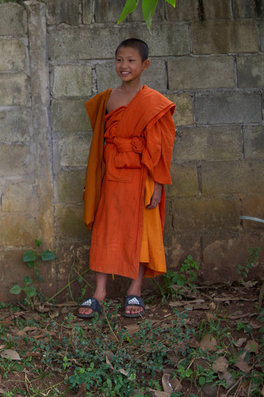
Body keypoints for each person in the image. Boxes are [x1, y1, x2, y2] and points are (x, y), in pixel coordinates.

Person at [77, 38, 176, 320]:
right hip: (112, 174)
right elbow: (101, 140)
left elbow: (161, 146)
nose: (124, 66)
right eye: (120, 59)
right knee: (106, 229)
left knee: (141, 232)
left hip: (141, 176)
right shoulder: (107, 99)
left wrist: (157, 184)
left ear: (145, 65)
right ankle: (100, 293)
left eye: (131, 60)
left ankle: (135, 290)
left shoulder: (154, 102)